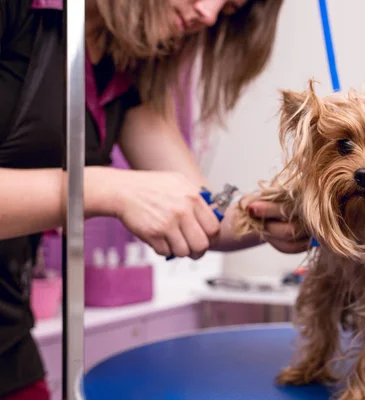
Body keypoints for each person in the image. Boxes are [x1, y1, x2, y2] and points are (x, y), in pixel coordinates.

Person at [0, 0, 310, 398]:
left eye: (229, 8)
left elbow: (203, 209)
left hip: (9, 345)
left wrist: (273, 215)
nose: (209, 14)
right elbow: (118, 191)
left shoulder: (123, 69)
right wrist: (106, 189)